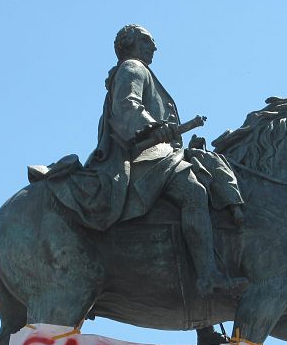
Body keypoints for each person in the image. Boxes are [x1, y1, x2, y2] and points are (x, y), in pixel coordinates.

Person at [38, 24, 247, 298]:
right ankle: (208, 275)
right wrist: (153, 128)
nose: (154, 47)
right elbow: (127, 107)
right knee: (194, 193)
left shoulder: (136, 70)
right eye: (148, 41)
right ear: (131, 44)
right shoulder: (132, 67)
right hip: (142, 157)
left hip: (159, 153)